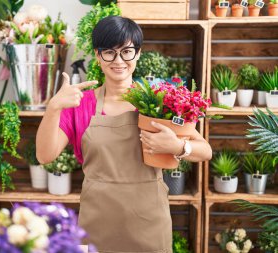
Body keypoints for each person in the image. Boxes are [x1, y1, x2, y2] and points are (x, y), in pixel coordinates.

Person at [36, 16, 212, 253]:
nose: (118, 60)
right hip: (97, 225)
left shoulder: (159, 101)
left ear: (138, 54)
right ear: (98, 56)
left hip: (149, 224)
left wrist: (178, 146)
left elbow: (205, 151)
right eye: (109, 52)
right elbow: (45, 156)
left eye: (126, 51)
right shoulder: (81, 105)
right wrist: (53, 107)